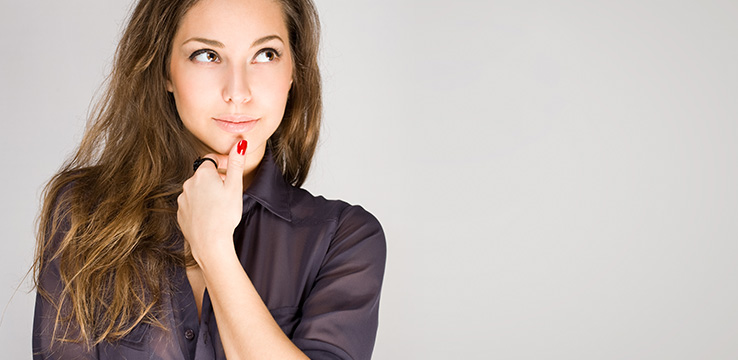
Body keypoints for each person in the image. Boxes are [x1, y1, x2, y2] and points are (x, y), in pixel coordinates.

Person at [31, 0, 386, 358]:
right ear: (165, 71)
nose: (237, 92)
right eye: (207, 55)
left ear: (294, 71)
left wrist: (214, 250)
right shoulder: (84, 210)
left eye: (265, 54)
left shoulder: (344, 238)